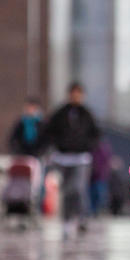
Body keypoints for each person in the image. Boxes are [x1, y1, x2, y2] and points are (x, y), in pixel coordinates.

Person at [42, 83, 99, 236]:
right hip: (63, 158)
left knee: (78, 188)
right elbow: (48, 131)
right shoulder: (60, 113)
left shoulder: (87, 114)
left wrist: (87, 146)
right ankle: (67, 220)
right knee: (67, 190)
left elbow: (96, 135)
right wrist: (56, 146)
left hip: (81, 158)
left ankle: (81, 217)